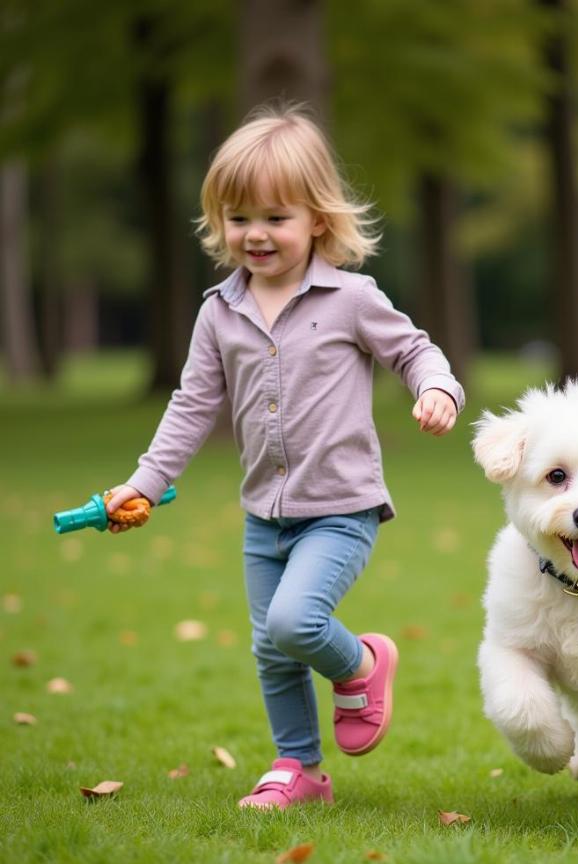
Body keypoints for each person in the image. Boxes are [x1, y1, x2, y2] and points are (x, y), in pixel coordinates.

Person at [105, 103, 463, 809]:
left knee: (294, 624)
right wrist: (144, 481)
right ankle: (299, 770)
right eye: (239, 218)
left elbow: (413, 348)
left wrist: (437, 388)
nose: (256, 234)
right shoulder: (220, 311)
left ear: (318, 221)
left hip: (340, 508)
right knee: (272, 650)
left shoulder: (351, 297)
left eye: (276, 217)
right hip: (263, 516)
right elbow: (192, 403)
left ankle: (362, 662)